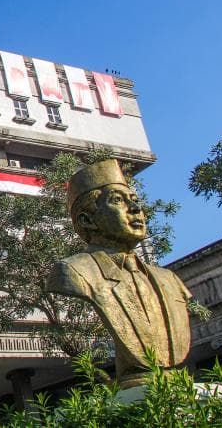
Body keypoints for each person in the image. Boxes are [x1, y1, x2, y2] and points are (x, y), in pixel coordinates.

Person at [47, 159, 192, 389]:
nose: (135, 209)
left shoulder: (168, 279)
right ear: (87, 220)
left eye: (134, 200)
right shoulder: (75, 271)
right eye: (117, 200)